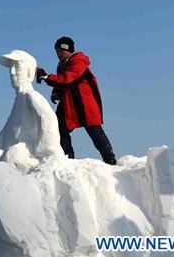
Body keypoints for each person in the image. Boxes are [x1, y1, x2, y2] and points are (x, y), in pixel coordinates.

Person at [35, 36, 117, 165]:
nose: (58, 53)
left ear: (69, 50)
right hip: (69, 103)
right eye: (57, 51)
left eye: (61, 51)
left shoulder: (78, 61)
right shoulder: (62, 64)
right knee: (58, 127)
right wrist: (56, 93)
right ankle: (68, 157)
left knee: (94, 130)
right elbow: (63, 82)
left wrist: (46, 77)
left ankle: (109, 159)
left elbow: (68, 80)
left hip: (85, 103)